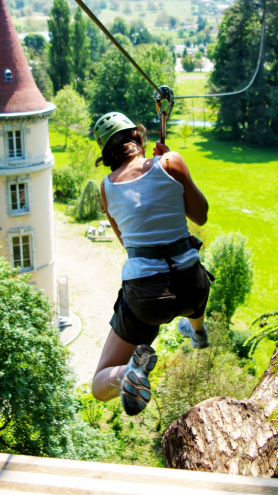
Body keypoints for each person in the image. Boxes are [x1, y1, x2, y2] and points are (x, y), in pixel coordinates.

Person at [90, 112, 212, 416]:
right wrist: (175, 171)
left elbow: (128, 244)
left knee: (98, 386)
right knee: (192, 273)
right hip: (193, 287)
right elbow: (201, 216)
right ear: (139, 137)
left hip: (148, 297)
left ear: (107, 156)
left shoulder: (106, 187)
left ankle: (127, 372)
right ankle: (198, 331)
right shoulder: (171, 162)